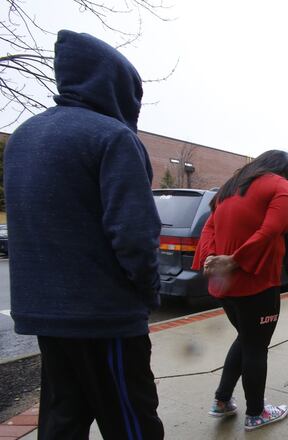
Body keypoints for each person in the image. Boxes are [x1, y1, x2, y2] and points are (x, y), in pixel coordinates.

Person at [4, 30, 164, 440]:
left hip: (45, 316)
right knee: (131, 422)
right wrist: (147, 293)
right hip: (104, 317)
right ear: (114, 84)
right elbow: (134, 235)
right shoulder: (113, 137)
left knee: (62, 420)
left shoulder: (24, 137)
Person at [192, 150, 288, 431]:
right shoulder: (279, 186)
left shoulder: (229, 188)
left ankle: (222, 401)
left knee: (246, 338)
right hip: (258, 282)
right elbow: (271, 229)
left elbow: (208, 228)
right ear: (286, 171)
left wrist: (212, 258)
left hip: (226, 286)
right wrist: (237, 259)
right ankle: (256, 413)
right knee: (256, 346)